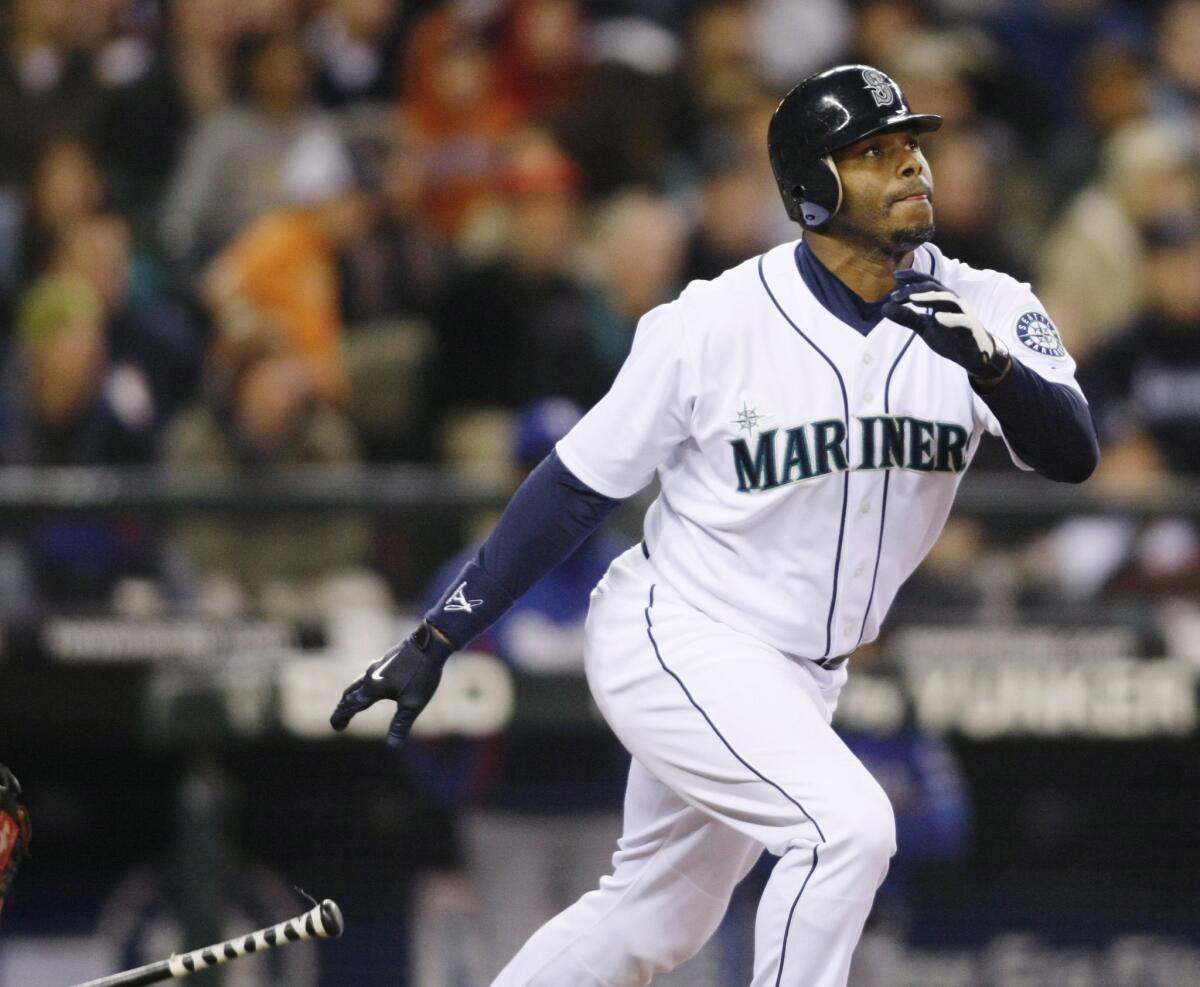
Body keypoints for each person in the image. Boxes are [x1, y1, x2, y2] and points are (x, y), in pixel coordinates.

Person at [330, 65, 1099, 987]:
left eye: (911, 145)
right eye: (874, 152)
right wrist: (439, 631)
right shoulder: (714, 321)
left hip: (802, 673)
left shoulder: (991, 304)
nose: (911, 166)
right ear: (809, 188)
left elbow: (1073, 453)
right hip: (683, 634)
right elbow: (576, 484)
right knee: (845, 829)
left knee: (654, 916)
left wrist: (990, 368)